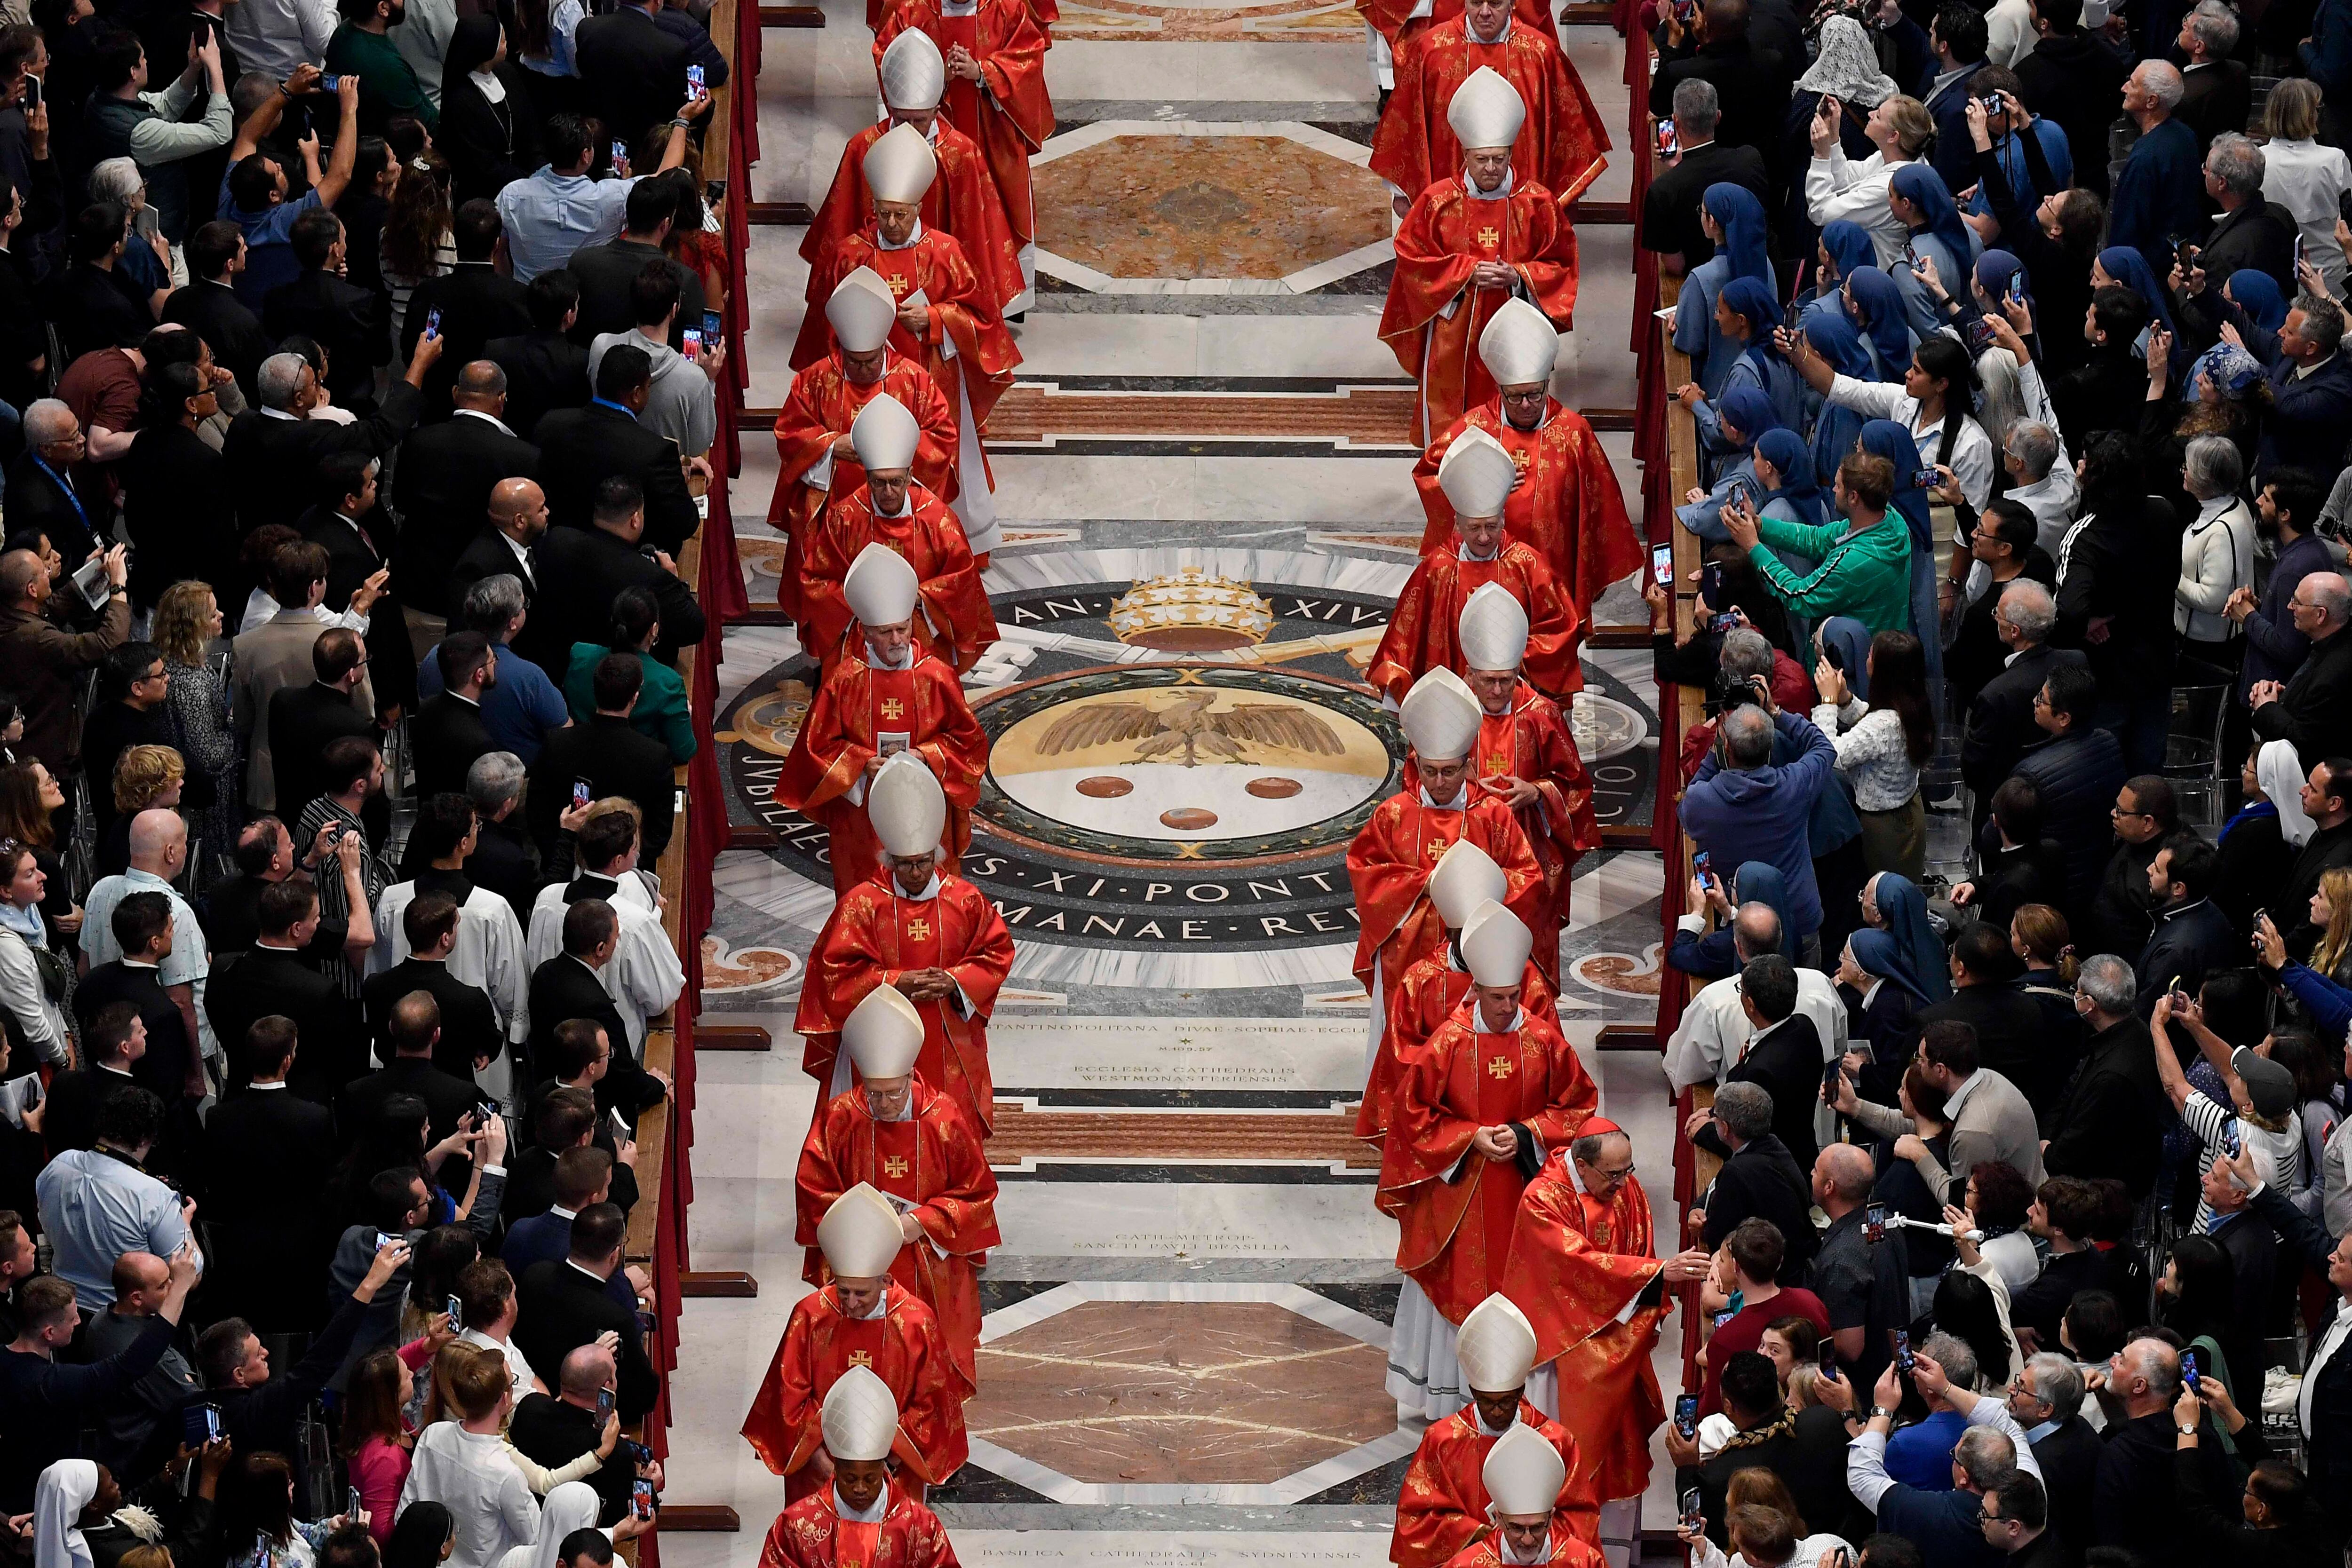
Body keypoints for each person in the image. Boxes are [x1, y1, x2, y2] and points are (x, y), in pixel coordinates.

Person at [1380, 901, 1597, 1418]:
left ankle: (1517, 1397)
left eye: (1514, 996)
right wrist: (1469, 1137)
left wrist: (1526, 1132)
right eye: (1497, 998)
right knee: (1459, 1283)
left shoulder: (1541, 1040)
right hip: (1462, 1193)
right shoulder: (1449, 1044)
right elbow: (1413, 1113)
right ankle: (1450, 1394)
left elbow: (1578, 1104)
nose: (1507, 1007)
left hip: (1525, 1187)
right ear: (1474, 990)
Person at [787, 126, 1015, 557]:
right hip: (861, 383)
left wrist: (934, 319)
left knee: (933, 456)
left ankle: (937, 545)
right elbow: (824, 326)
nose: (891, 224)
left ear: (918, 207)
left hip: (928, 382)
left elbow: (985, 321)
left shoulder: (944, 253)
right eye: (883, 213)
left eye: (901, 214)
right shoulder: (849, 253)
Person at [794, 982, 996, 1405]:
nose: (883, 1105)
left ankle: (927, 1436)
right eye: (874, 1093)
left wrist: (918, 1221)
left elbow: (977, 1192)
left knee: (930, 1364)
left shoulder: (943, 1118)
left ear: (910, 1076)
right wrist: (861, 1222)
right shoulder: (842, 1117)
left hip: (926, 1257)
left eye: (893, 1093)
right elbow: (812, 1184)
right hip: (859, 1264)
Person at [794, 754, 1011, 1135]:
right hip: (880, 1040)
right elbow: (835, 977)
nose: (915, 872)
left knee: (950, 1133)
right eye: (906, 864)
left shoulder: (965, 900)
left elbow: (996, 953)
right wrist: (896, 983)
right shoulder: (862, 905)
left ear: (936, 856)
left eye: (924, 863)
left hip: (948, 1036)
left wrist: (955, 981)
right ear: (889, 859)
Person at [1375, 70, 1583, 448]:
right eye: (1482, 159)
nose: (1491, 168)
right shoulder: (1439, 202)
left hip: (1517, 332)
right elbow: (1411, 258)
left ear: (1510, 155)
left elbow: (1562, 263)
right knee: (1453, 433)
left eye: (1499, 159)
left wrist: (1517, 275)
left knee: (1513, 423)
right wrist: (1467, 272)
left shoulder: (1536, 204)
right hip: (1454, 336)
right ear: (1466, 155)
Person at [1412, 299, 1641, 636]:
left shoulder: (1574, 434)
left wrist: (1592, 573)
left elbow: (1602, 507)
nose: (1526, 405)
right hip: (1485, 576)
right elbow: (1429, 474)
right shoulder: (1475, 428)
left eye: (1535, 394)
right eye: (1514, 397)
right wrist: (1478, 486)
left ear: (1547, 384)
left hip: (1553, 576)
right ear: (1500, 390)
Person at [741, 1185, 965, 1499]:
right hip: (819, 1471)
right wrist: (822, 1462)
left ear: (884, 1281)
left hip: (892, 1471)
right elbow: (788, 1396)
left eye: (862, 1293)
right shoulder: (810, 1316)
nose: (851, 1302)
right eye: (843, 1291)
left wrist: (889, 1459)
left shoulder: (916, 1322)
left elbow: (930, 1401)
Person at [798, 29, 1022, 342]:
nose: (912, 131)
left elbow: (978, 242)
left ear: (936, 109)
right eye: (903, 120)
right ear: (891, 109)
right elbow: (839, 230)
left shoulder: (962, 153)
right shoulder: (862, 149)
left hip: (941, 290)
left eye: (920, 121)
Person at [767, 269, 958, 624]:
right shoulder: (816, 380)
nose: (865, 370)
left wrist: (893, 457)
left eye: (871, 361)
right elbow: (789, 433)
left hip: (897, 511)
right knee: (831, 597)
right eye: (855, 362)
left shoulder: (913, 379)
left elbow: (943, 436)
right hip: (835, 515)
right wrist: (829, 445)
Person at [793, 396, 994, 678]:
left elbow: (962, 579)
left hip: (921, 631)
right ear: (866, 476)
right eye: (879, 482)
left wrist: (918, 597)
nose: (888, 492)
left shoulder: (938, 521)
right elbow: (815, 580)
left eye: (896, 482)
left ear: (911, 476)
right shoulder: (846, 517)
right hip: (862, 632)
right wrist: (864, 601)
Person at [1375, 430, 1581, 707]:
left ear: (1504, 520)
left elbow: (1562, 627)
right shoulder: (1437, 569)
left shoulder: (1527, 565)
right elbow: (1406, 634)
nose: (1484, 537)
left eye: (1492, 526)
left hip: (1511, 699)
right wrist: (1396, 681)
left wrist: (1509, 663)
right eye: (1474, 528)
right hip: (1450, 706)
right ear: (1457, 524)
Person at [1392, 1294, 1595, 1568]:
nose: (1497, 1411)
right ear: (1474, 1393)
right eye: (1488, 1402)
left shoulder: (1556, 1441)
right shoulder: (1443, 1441)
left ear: (1521, 1392)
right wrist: (1477, 1534)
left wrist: (1527, 1534)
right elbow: (1416, 1518)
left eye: (1506, 1401)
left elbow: (1580, 1515)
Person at [0, 1259, 194, 1511]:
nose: (80, 1322)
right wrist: (179, 1289)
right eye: (72, 1319)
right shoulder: (52, 1384)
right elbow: (130, 1366)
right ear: (49, 1333)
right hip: (37, 1505)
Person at [1680, 686, 1836, 965]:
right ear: (1770, 747)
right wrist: (1777, 713)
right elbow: (1823, 747)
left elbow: (1688, 806)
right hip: (1798, 916)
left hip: (1741, 921)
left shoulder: (1703, 801)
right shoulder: (1795, 785)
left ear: (1726, 747)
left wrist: (1715, 753)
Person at [754, 1370, 960, 1568]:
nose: (860, 1489)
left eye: (870, 1479)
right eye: (851, 1479)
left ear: (883, 1471)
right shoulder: (797, 1526)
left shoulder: (920, 1526)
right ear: (837, 1470)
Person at [493, 111, 706, 285]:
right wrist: (682, 120)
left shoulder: (511, 195)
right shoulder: (611, 197)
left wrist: (513, 293)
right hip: (585, 302)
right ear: (586, 156)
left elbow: (498, 255)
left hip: (528, 299)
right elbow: (665, 176)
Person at [2011, 663, 2130, 910]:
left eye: (2042, 700)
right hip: (2099, 880)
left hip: (2052, 891)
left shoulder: (2030, 773)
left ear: (2064, 718)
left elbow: (2001, 835)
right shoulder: (2109, 743)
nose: (2035, 701)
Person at [1637, 80, 1768, 269]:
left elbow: (1675, 266)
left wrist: (1679, 168)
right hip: (1755, 269)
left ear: (1675, 121)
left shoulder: (1662, 191)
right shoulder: (1750, 160)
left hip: (1697, 283)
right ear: (1717, 117)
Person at [2108, 62, 2205, 282]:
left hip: (2150, 271)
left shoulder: (2146, 159)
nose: (2124, 88)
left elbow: (2127, 231)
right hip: (2176, 258)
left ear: (2151, 101)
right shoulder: (2186, 135)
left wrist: (2114, 274)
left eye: (2132, 84)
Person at [2250, 573, 2352, 763]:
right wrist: (2282, 697)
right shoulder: (2337, 640)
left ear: (2321, 615)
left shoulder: (2334, 674)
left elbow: (2302, 742)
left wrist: (2266, 707)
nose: (2290, 607)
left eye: (2297, 602)